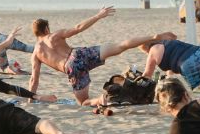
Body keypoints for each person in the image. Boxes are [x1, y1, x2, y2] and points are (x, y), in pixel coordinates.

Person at [29, 7, 159, 102]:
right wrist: (98, 16)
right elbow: (78, 28)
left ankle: (101, 100)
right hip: (78, 54)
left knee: (85, 102)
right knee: (120, 46)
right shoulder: (54, 36)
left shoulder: (36, 53)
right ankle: (152, 37)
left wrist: (31, 97)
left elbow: (34, 79)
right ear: (46, 29)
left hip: (71, 67)